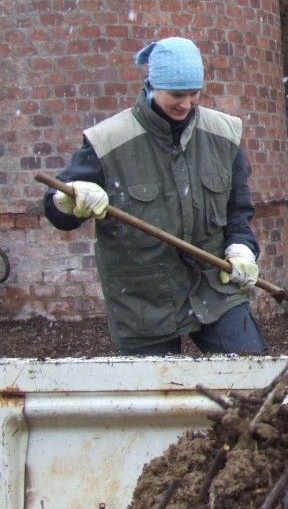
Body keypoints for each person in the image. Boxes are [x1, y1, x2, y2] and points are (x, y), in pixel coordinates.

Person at [43, 36, 268, 355]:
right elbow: (58, 213)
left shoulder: (222, 136)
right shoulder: (109, 142)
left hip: (214, 289)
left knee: (250, 372)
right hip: (142, 301)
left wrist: (242, 248)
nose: (186, 104)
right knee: (155, 386)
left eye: (194, 93)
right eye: (176, 94)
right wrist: (66, 200)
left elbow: (238, 211)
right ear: (152, 85)